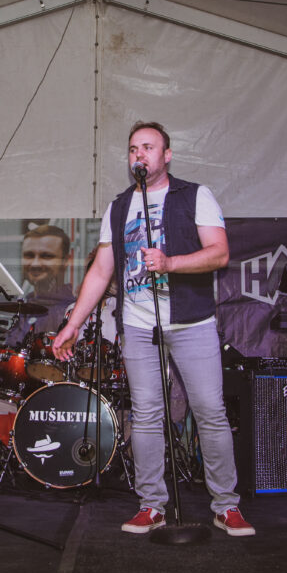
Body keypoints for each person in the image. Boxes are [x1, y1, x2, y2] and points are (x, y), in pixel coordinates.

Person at [52, 122, 253, 537]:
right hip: (139, 324)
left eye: (147, 147)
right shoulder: (119, 207)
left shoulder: (194, 195)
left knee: (210, 411)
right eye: (133, 149)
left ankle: (226, 505)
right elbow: (101, 270)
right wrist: (72, 324)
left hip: (191, 321)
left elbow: (219, 253)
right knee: (145, 415)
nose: (139, 155)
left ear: (167, 155)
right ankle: (151, 506)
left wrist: (171, 263)